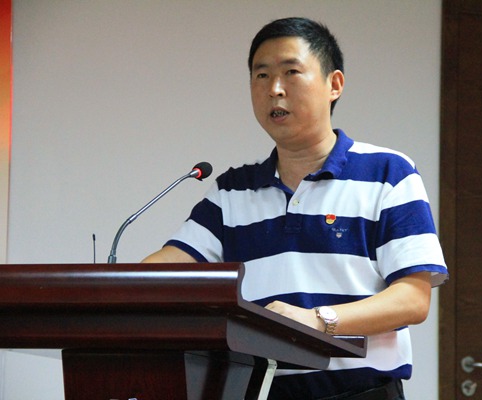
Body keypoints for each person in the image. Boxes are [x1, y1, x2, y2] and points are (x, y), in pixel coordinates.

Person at [143, 17, 447, 400]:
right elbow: (165, 269)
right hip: (259, 392)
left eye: (291, 72)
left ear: (334, 84)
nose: (275, 89)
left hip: (360, 392)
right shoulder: (233, 191)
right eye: (261, 75)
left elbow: (413, 299)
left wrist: (319, 321)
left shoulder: (387, 173)